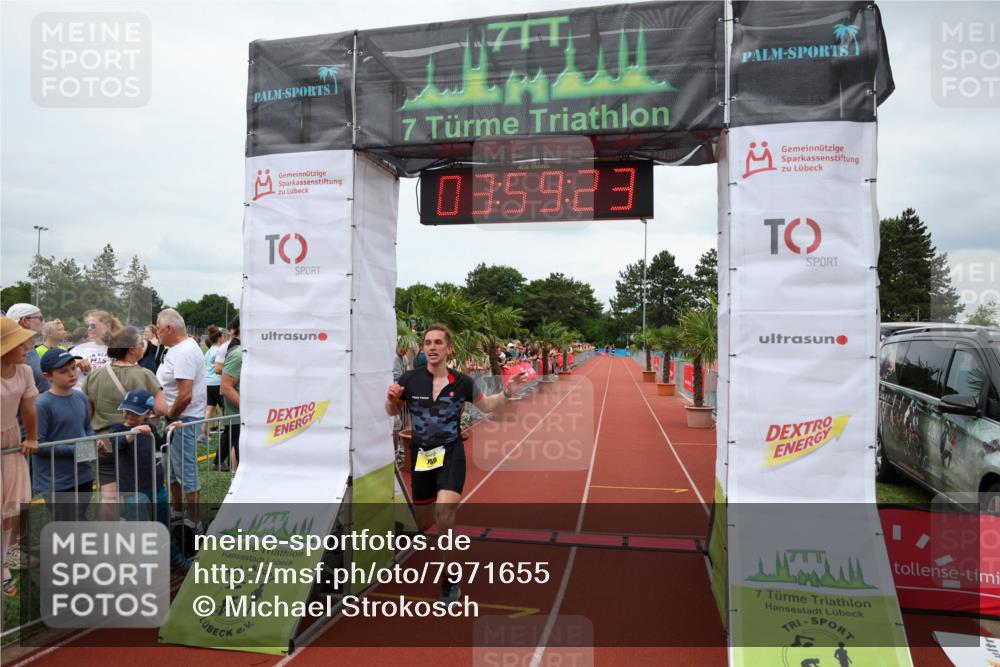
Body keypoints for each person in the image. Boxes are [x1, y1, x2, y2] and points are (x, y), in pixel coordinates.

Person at [385, 323, 527, 603]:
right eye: (428, 343)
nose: (432, 347)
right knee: (426, 521)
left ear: (448, 349)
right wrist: (391, 400)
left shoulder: (462, 382)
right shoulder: (410, 379)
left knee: (444, 513)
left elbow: (486, 406)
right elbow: (392, 410)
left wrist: (508, 392)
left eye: (438, 342)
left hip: (451, 453)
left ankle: (450, 580)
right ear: (423, 349)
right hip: (422, 456)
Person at [84, 327, 166, 520]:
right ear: (131, 349)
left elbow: (88, 412)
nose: (143, 348)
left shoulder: (94, 375)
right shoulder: (145, 374)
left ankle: (107, 541)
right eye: (140, 344)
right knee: (139, 494)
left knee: (109, 498)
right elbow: (162, 409)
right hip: (136, 444)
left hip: (106, 443)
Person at [155, 308, 207, 533]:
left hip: (182, 420)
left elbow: (185, 394)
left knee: (185, 469)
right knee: (174, 470)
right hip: (177, 419)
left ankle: (194, 520)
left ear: (168, 328)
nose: (157, 333)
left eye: (158, 328)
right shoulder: (179, 349)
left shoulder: (184, 351)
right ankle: (178, 511)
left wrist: (170, 416)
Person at [1, 318, 39, 597]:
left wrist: (32, 437)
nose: (27, 346)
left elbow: (28, 409)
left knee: (9, 509)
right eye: (20, 343)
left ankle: (3, 565)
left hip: (11, 442)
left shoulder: (25, 371)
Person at [34, 349, 95, 522]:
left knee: (79, 520)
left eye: (73, 368)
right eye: (63, 371)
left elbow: (87, 427)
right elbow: (39, 445)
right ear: (47, 376)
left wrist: (92, 442)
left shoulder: (80, 397)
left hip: (83, 475)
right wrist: (76, 449)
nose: (71, 374)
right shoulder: (42, 404)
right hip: (56, 481)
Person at [70, 309, 122, 389]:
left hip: (107, 398)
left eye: (93, 326)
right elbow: (59, 369)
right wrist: (74, 363)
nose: (89, 329)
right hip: (81, 397)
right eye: (88, 326)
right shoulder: (78, 349)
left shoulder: (121, 349)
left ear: (107, 326)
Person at [5, 303, 49, 392]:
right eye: (40, 318)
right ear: (25, 321)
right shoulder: (16, 356)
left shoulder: (28, 349)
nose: (44, 322)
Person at [218, 318, 242, 471]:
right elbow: (226, 388)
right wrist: (249, 409)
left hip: (242, 419)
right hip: (240, 418)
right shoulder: (239, 353)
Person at [202, 326, 224, 439]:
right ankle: (229, 429)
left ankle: (202, 432)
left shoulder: (209, 351)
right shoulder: (220, 351)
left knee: (209, 409)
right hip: (217, 383)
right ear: (219, 338)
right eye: (223, 336)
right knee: (224, 407)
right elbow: (221, 367)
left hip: (208, 383)